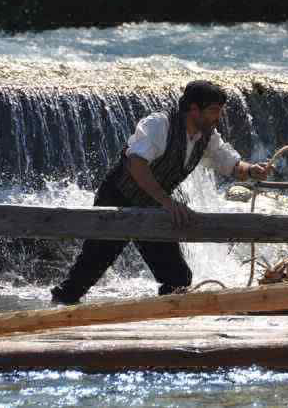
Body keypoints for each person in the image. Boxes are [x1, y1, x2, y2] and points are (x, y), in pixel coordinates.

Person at [50, 80, 270, 304]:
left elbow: (230, 164)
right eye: (214, 111)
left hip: (153, 205)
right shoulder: (159, 124)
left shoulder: (208, 136)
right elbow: (136, 162)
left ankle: (168, 323)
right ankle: (55, 312)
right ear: (193, 109)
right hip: (118, 198)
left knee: (178, 278)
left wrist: (252, 170)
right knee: (85, 274)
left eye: (220, 111)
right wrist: (168, 203)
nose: (218, 117)